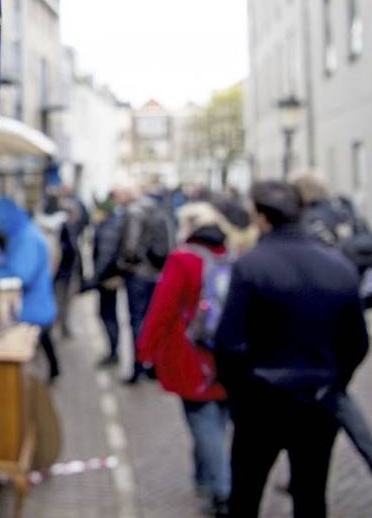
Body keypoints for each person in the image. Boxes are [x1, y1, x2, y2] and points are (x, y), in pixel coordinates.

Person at [214, 181, 369, 518]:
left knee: (246, 495)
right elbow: (357, 341)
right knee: (311, 495)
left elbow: (228, 342)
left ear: (260, 216)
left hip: (261, 400)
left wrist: (239, 392)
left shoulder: (251, 266)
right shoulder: (339, 265)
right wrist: (334, 381)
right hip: (317, 398)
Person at [291, 171, 372, 495]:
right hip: (352, 315)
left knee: (330, 397)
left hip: (320, 319)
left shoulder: (306, 222)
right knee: (333, 394)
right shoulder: (346, 213)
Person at [138, 202, 235, 517]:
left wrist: (146, 351)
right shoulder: (230, 257)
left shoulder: (182, 260)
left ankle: (222, 490)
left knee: (202, 422)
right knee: (216, 420)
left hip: (191, 356)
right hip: (227, 355)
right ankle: (204, 481)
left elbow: (162, 309)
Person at [0, 197, 59, 382]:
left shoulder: (27, 238)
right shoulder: (23, 234)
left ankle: (41, 384)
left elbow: (21, 275)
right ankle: (52, 373)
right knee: (44, 344)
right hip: (37, 305)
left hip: (32, 308)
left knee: (31, 353)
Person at [119, 187, 172, 383]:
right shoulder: (161, 211)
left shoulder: (135, 212)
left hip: (139, 274)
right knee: (155, 320)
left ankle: (138, 366)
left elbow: (131, 246)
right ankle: (154, 366)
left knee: (137, 321)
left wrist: (125, 263)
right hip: (158, 274)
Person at [90, 190, 126, 366]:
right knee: (108, 314)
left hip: (107, 278)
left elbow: (105, 254)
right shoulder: (112, 223)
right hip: (110, 275)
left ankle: (113, 351)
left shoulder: (107, 226)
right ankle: (113, 350)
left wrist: (95, 278)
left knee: (108, 314)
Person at [54, 194, 89, 338]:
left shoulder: (70, 229)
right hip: (62, 273)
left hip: (67, 272)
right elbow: (66, 252)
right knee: (61, 301)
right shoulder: (63, 230)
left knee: (65, 301)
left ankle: (63, 327)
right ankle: (60, 328)